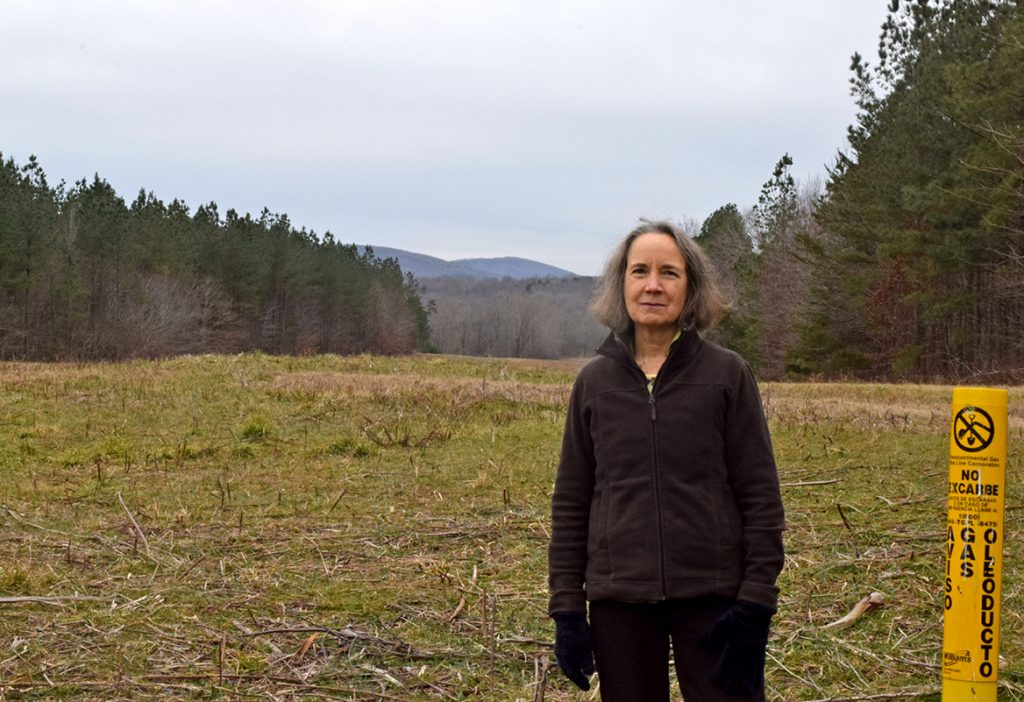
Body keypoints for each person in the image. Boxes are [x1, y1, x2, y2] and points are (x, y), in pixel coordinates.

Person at [548, 219, 785, 701]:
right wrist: (568, 611)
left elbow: (760, 497)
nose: (653, 285)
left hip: (716, 598)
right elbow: (571, 503)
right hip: (620, 600)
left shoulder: (727, 376)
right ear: (623, 285)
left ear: (691, 287)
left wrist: (756, 604)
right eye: (640, 271)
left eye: (669, 273)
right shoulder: (594, 385)